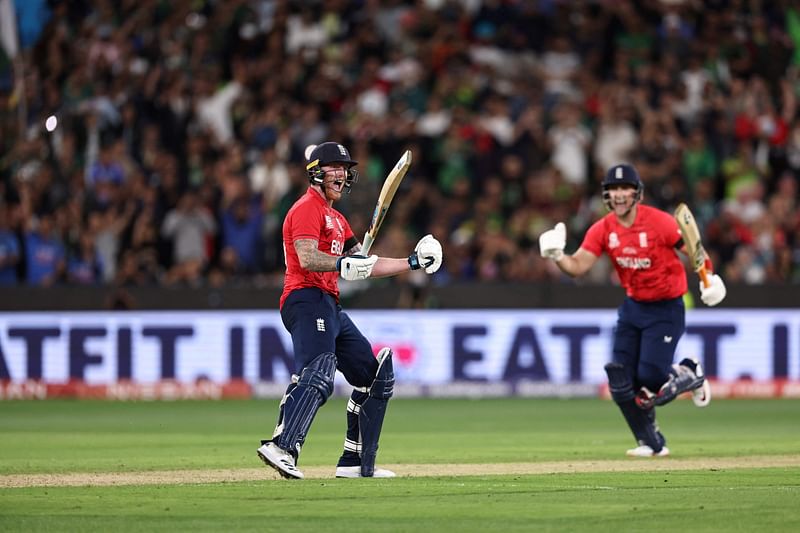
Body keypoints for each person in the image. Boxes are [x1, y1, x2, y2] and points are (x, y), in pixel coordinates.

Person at [257, 142, 443, 479]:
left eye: (344, 168)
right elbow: (307, 257)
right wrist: (344, 264)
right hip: (304, 297)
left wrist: (413, 262)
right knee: (319, 370)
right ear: (316, 172)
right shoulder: (305, 209)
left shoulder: (338, 220)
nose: (342, 174)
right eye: (334, 167)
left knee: (374, 378)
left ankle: (354, 462)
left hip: (329, 304)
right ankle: (282, 446)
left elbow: (367, 264)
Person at [538, 163, 726, 457]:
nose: (620, 195)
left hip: (666, 308)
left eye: (625, 188)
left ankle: (690, 371)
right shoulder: (603, 229)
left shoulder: (660, 223)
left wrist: (709, 278)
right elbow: (577, 267)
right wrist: (558, 256)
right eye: (614, 189)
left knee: (652, 380)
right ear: (607, 195)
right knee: (621, 380)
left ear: (637, 193)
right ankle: (651, 443)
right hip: (634, 307)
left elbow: (695, 251)